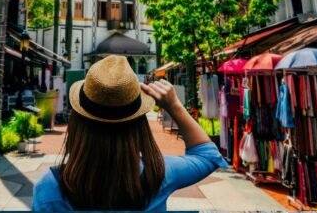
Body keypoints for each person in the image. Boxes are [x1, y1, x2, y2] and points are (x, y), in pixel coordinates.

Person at [33, 55, 226, 211]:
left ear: (77, 124)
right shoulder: (158, 176)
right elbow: (208, 155)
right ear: (139, 126)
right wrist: (174, 105)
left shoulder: (51, 188)